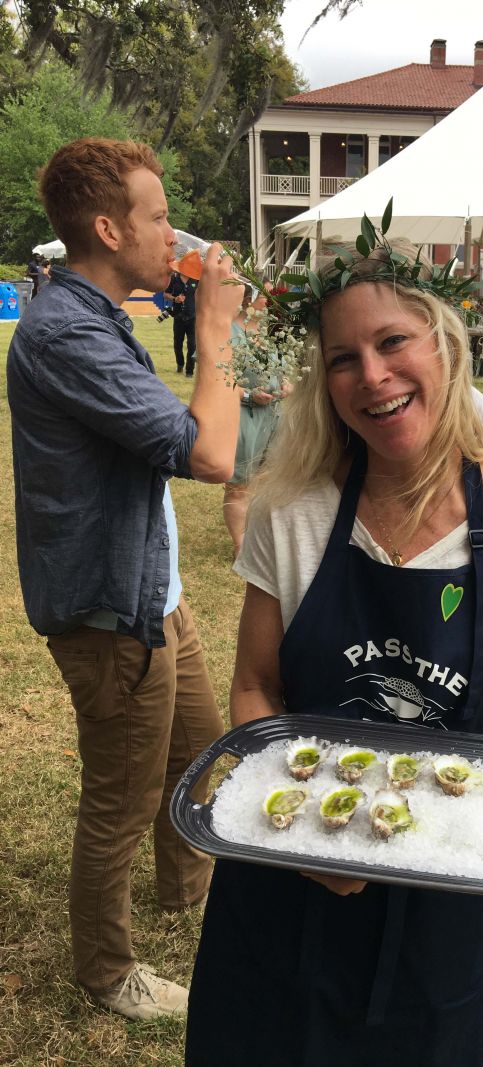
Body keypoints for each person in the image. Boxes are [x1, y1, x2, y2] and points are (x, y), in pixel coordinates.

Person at [185, 231, 483, 1066]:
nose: (371, 375)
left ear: (445, 346)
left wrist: (419, 837)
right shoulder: (290, 514)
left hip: (441, 882)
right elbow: (257, 689)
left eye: (393, 341)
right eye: (342, 357)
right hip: (281, 869)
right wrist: (311, 843)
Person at [6, 137, 243, 1020]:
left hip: (154, 591)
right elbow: (212, 453)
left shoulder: (101, 318)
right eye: (154, 215)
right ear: (107, 227)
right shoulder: (66, 331)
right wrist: (213, 330)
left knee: (200, 750)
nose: (170, 231)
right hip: (111, 613)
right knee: (122, 797)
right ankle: (108, 973)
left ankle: (191, 890)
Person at [222, 288, 289, 557]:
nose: (271, 303)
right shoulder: (228, 333)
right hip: (244, 417)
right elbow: (218, 382)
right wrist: (249, 395)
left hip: (273, 417)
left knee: (268, 483)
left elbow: (284, 373)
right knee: (239, 486)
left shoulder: (269, 336)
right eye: (267, 297)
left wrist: (286, 386)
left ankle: (259, 538)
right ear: (249, 300)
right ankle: (241, 546)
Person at [164, 268, 198, 375]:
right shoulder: (174, 278)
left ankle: (189, 371)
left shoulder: (196, 279)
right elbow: (166, 294)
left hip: (192, 317)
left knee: (192, 345)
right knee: (177, 344)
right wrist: (175, 299)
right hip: (178, 316)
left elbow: (202, 294)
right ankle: (180, 364)